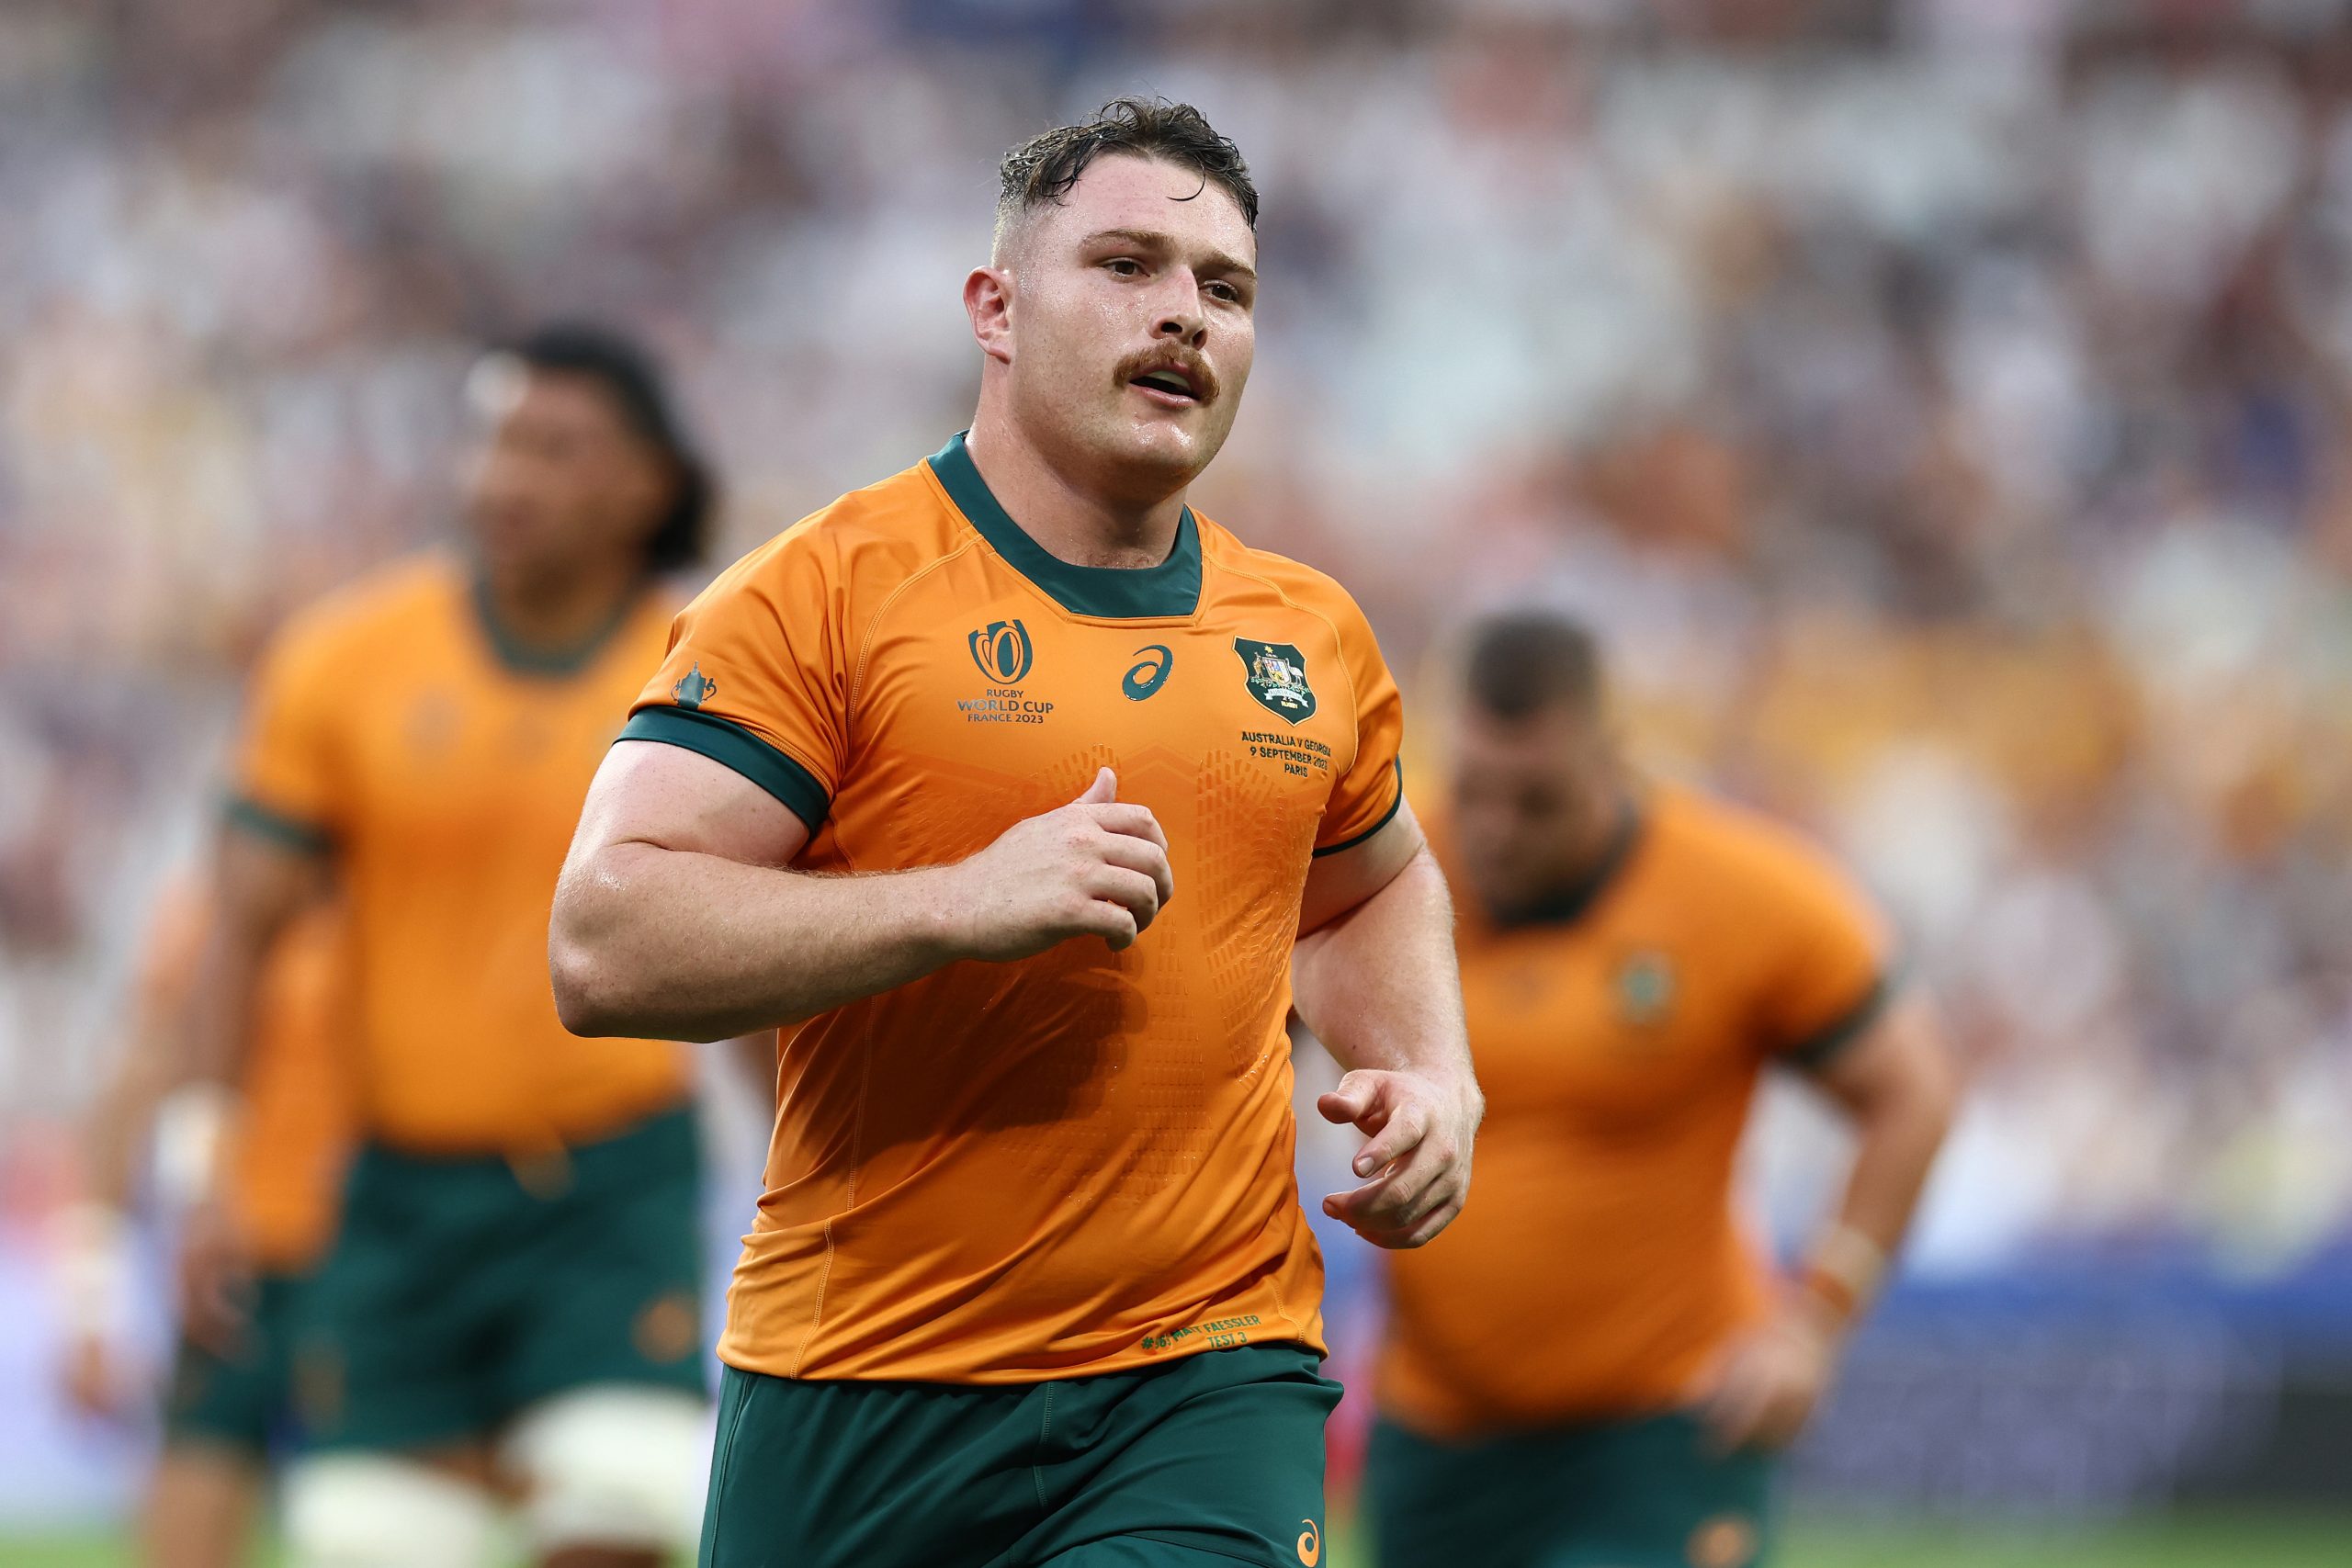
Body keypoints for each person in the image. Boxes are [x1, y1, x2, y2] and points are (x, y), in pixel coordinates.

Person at [549, 97, 1483, 1568]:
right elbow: (603, 939)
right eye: (1127, 265)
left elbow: (1371, 886)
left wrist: (1425, 1068)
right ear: (995, 307)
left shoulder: (1309, 635)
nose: (1183, 313)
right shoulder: (822, 593)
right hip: (861, 1381)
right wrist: (958, 900)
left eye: (1223, 288)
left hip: (1207, 1370)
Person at [175, 322, 725, 1568]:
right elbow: (238, 930)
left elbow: (767, 940)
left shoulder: (711, 662)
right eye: (490, 438)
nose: (500, 475)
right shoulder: (345, 657)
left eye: (549, 445)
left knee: (619, 1505)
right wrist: (202, 1158)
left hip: (610, 1183)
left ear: (641, 482)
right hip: (398, 1191)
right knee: (377, 1536)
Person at [1365, 609, 1959, 1568]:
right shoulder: (1381, 867)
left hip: (1661, 1436)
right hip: (1434, 1437)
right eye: (1474, 791)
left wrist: (1814, 1322)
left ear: (1613, 759)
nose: (1495, 832)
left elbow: (1914, 1088)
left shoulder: (1743, 894)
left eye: (1537, 800)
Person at [57, 879, 349, 1568]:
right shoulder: (204, 919)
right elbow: (125, 1103)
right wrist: (90, 1307)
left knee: (381, 1526)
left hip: (366, 1267)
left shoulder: (408, 891)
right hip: (232, 1275)